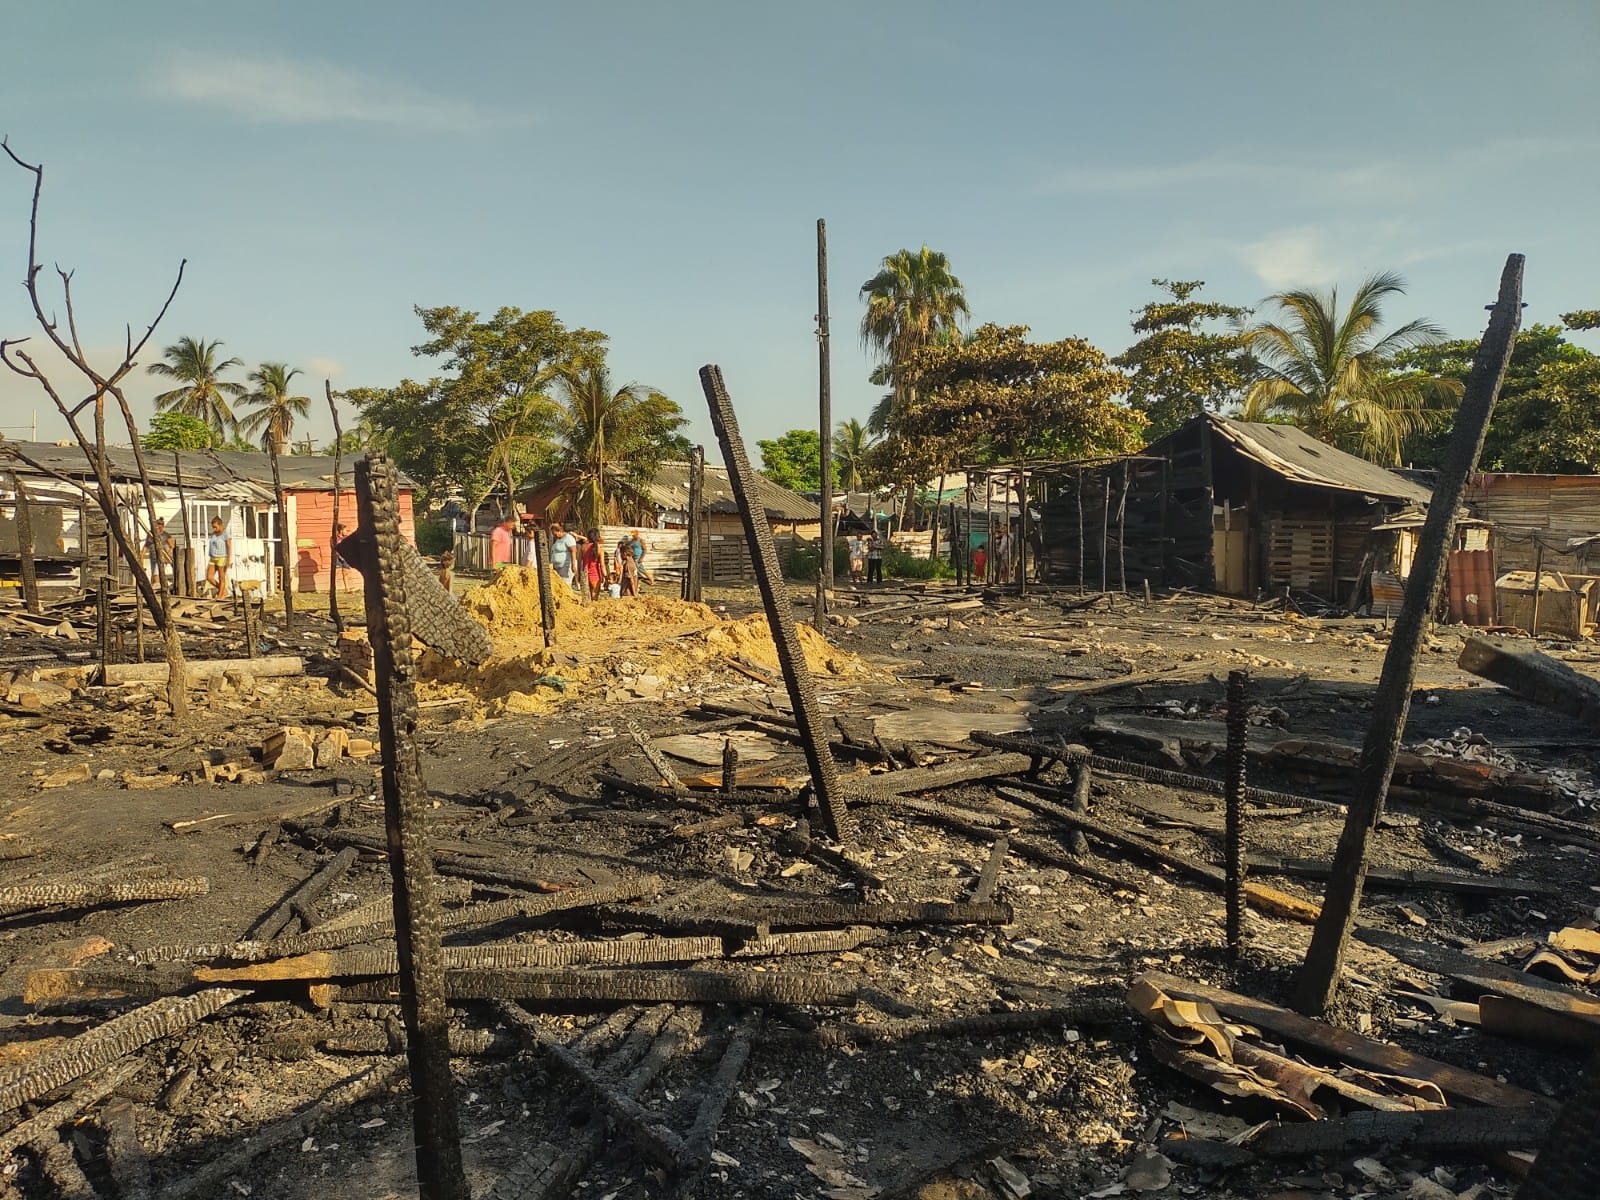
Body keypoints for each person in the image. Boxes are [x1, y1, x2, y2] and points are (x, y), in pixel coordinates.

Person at [204, 517, 231, 599]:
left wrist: (228, 560)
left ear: (220, 525)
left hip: (222, 557)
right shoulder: (214, 534)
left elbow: (229, 547)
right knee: (209, 577)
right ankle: (223, 590)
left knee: (221, 577)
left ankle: (220, 596)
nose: (214, 529)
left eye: (215, 527)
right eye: (213, 527)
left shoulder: (225, 534)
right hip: (213, 557)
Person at [145, 518, 175, 590]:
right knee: (154, 573)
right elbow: (146, 545)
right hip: (153, 557)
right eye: (157, 525)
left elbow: (172, 546)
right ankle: (156, 587)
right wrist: (142, 554)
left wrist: (167, 555)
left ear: (162, 526)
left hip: (162, 557)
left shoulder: (165, 535)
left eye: (160, 525)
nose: (158, 527)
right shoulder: (150, 534)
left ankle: (157, 587)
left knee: (156, 574)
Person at [549, 521, 578, 588]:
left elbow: (573, 551)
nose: (554, 535)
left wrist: (573, 565)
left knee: (565, 586)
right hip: (558, 567)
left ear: (559, 531)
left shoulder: (568, 538)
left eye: (555, 533)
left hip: (566, 566)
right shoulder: (558, 540)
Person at [582, 529, 606, 599]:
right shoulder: (600, 549)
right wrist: (606, 577)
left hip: (585, 575)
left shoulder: (583, 547)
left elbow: (580, 562)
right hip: (595, 576)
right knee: (594, 598)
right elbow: (602, 565)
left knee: (586, 598)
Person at [332, 523, 356, 594]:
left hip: (346, 557)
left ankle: (347, 589)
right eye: (345, 530)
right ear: (340, 531)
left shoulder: (347, 538)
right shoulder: (335, 538)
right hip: (337, 557)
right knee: (335, 573)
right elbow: (334, 547)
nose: (346, 531)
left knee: (345, 573)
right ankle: (333, 588)